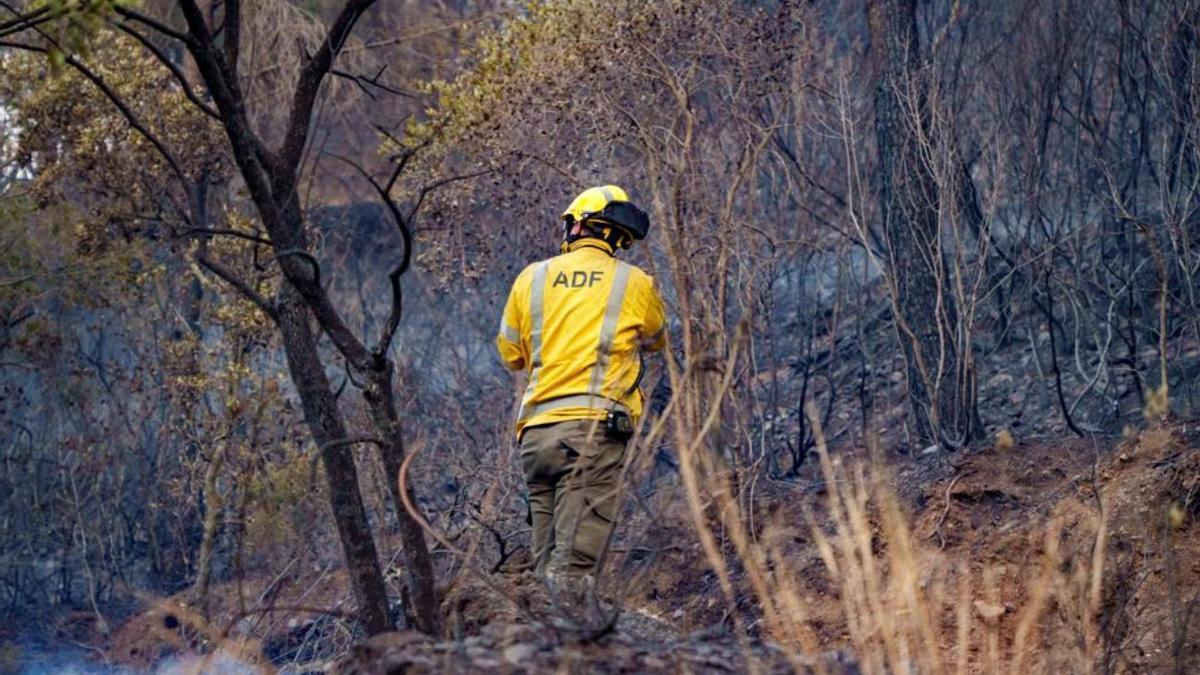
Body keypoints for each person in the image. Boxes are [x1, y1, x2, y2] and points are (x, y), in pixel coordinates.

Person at [495, 185, 667, 582]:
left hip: (537, 439)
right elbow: (658, 341)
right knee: (572, 570)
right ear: (618, 236)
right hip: (590, 434)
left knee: (545, 568)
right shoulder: (634, 282)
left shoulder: (531, 278)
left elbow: (510, 354)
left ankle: (537, 638)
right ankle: (563, 637)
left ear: (578, 225)